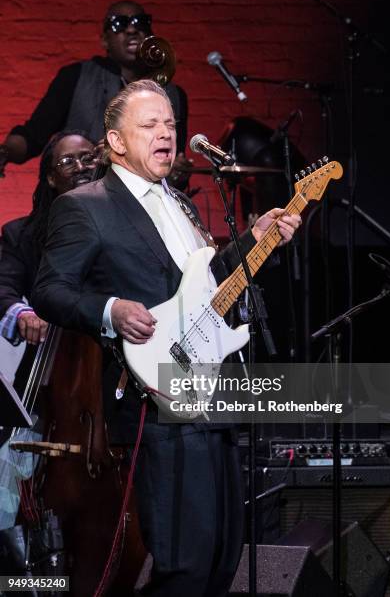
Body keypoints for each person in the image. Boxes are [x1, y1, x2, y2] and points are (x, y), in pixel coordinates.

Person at [31, 79, 301, 596]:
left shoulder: (181, 203)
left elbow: (202, 285)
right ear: (115, 142)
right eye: (150, 125)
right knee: (186, 564)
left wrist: (253, 239)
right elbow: (49, 289)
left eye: (171, 125)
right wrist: (110, 309)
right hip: (155, 402)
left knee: (223, 558)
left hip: (211, 393)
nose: (166, 135)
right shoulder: (86, 206)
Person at [0, 130, 97, 533]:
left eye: (88, 158)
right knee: (11, 491)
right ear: (51, 179)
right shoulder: (21, 234)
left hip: (109, 374)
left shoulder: (122, 228)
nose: (81, 168)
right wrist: (22, 313)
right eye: (68, 162)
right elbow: (3, 287)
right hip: (45, 378)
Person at [0, 0, 188, 183]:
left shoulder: (172, 94)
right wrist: (5, 152)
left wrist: (176, 173)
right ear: (105, 40)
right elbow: (34, 135)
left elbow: (171, 164)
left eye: (140, 22)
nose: (131, 29)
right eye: (118, 24)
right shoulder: (75, 76)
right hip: (82, 195)